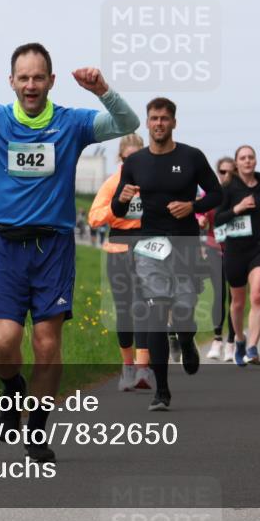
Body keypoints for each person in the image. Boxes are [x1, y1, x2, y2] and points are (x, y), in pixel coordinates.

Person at [0, 45, 139, 461]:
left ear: (51, 81)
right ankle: (12, 387)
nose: (31, 85)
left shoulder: (71, 123)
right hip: (4, 246)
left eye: (38, 77)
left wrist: (102, 90)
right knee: (2, 343)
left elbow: (127, 123)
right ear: (11, 82)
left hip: (53, 248)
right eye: (23, 77)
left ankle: (37, 429)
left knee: (46, 344)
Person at [111, 98, 222, 411]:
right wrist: (123, 198)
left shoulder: (191, 157)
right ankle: (161, 391)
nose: (158, 123)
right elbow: (117, 209)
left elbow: (217, 193)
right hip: (150, 246)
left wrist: (192, 206)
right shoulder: (136, 163)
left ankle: (186, 340)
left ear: (174, 122)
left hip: (185, 245)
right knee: (157, 315)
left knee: (183, 314)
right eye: (154, 118)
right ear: (147, 123)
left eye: (164, 118)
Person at [88, 134, 154, 391]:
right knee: (124, 310)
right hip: (118, 249)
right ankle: (127, 367)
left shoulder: (154, 182)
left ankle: (143, 369)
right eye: (128, 159)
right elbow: (94, 218)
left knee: (142, 306)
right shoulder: (112, 183)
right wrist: (118, 206)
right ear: (121, 158)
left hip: (147, 248)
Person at [215, 145, 260, 366]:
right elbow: (218, 219)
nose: (247, 161)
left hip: (259, 247)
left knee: (257, 296)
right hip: (235, 250)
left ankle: (252, 347)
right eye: (243, 158)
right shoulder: (227, 187)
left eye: (251, 157)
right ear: (237, 163)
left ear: (255, 160)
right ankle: (240, 340)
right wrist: (238, 208)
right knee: (237, 303)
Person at [198, 157, 237, 362]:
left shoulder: (239, 194)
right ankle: (217, 339)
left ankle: (231, 342)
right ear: (217, 172)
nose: (226, 175)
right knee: (218, 293)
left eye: (231, 171)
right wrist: (201, 220)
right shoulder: (211, 194)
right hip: (214, 249)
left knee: (235, 297)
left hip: (236, 250)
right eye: (222, 171)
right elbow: (197, 211)